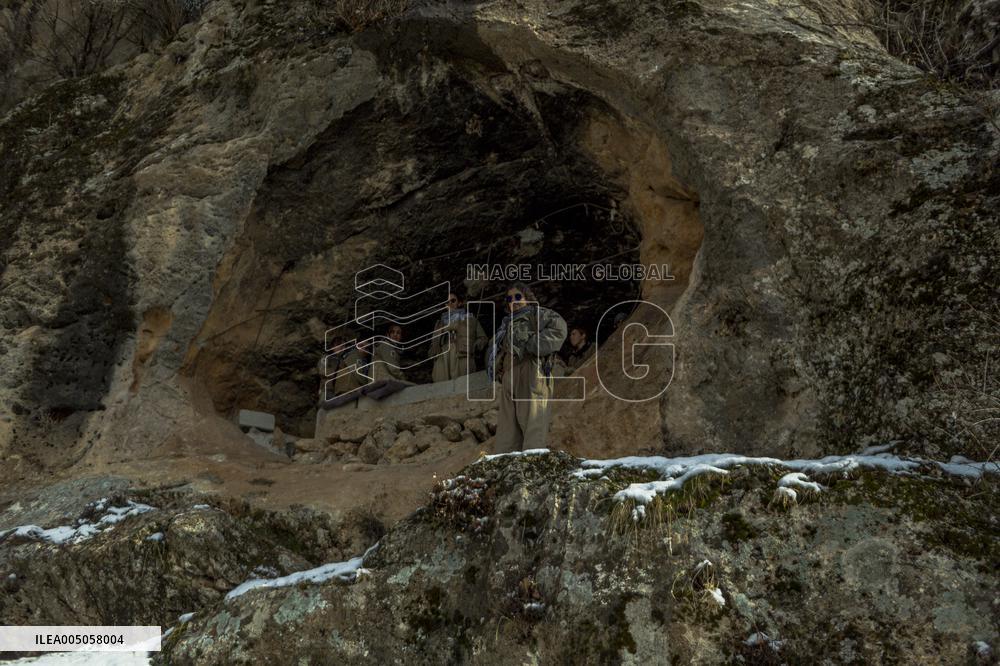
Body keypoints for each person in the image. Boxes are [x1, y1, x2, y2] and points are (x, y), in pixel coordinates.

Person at [486, 282, 567, 452]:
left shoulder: (538, 314)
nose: (513, 301)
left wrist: (531, 345)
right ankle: (508, 464)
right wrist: (499, 370)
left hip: (531, 370)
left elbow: (559, 329)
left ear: (527, 298)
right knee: (507, 429)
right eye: (509, 299)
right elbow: (496, 350)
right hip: (509, 376)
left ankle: (532, 462)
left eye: (517, 296)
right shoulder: (505, 325)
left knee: (533, 422)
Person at [428, 290, 488, 382]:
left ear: (459, 303)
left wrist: (474, 346)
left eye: (453, 301)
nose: (450, 304)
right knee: (442, 385)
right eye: (447, 302)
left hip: (461, 354)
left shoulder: (470, 319)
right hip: (443, 356)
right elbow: (433, 345)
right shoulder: (439, 323)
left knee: (462, 384)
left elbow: (483, 338)